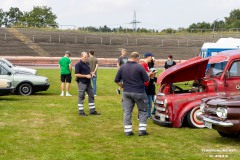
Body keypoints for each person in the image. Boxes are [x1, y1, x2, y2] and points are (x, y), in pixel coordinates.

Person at [114, 52, 150, 136]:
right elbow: (146, 79)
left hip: (126, 92)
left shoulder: (123, 67)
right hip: (139, 92)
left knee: (127, 111)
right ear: (137, 58)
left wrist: (122, 86)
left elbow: (116, 80)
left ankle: (127, 130)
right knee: (143, 110)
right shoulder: (139, 67)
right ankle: (142, 130)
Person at [75, 52, 101, 116]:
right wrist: (86, 76)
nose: (86, 58)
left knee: (91, 95)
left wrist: (91, 73)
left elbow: (88, 71)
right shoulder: (78, 64)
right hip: (82, 83)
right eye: (85, 57)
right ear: (81, 57)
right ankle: (81, 111)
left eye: (87, 57)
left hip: (88, 83)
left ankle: (92, 111)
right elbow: (76, 74)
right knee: (81, 97)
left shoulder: (87, 63)